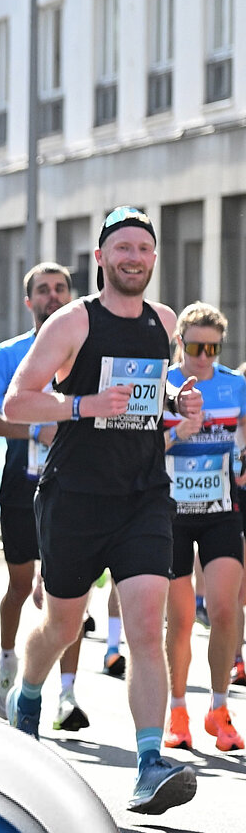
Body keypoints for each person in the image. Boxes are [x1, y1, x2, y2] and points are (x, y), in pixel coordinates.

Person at [3, 206, 199, 814]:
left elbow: (145, 395)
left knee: (145, 626)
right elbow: (16, 403)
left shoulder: (162, 323)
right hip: (75, 497)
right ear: (101, 258)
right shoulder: (71, 322)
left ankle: (148, 763)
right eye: (122, 248)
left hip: (143, 495)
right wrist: (82, 404)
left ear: (154, 259)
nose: (133, 258)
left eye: (143, 248)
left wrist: (177, 409)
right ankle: (29, 695)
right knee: (64, 625)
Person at [0, 262, 91, 729]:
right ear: (30, 302)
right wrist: (32, 432)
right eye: (44, 290)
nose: (53, 296)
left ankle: (67, 695)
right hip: (22, 484)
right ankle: (6, 664)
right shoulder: (10, 352)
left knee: (69, 594)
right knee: (22, 585)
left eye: (61, 288)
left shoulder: (87, 351)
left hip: (75, 486)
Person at [160, 303, 246, 751]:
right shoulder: (163, 386)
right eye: (196, 346)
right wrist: (180, 433)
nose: (205, 356)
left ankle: (219, 709)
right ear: (180, 343)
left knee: (225, 609)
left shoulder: (235, 385)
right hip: (171, 513)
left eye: (213, 347)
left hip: (219, 511)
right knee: (179, 619)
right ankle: (178, 710)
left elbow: (243, 434)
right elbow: (140, 446)